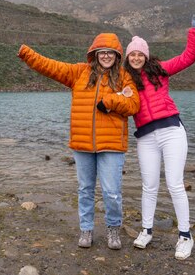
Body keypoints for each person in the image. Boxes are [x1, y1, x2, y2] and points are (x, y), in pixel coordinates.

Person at [18, 33, 140, 250]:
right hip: (82, 144)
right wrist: (27, 54)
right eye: (101, 52)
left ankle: (113, 229)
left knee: (112, 192)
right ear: (94, 54)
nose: (105, 56)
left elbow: (133, 105)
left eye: (110, 52)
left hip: (111, 145)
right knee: (85, 189)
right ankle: (86, 229)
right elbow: (50, 66)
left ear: (117, 55)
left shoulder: (123, 77)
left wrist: (110, 100)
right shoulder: (79, 73)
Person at [124, 11, 195, 261]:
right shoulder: (125, 79)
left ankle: (185, 236)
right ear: (128, 57)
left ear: (145, 56)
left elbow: (188, 57)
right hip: (146, 137)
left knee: (174, 183)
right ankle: (146, 230)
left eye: (140, 53)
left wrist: (194, 31)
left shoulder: (159, 70)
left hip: (172, 132)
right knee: (149, 186)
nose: (137, 57)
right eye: (132, 54)